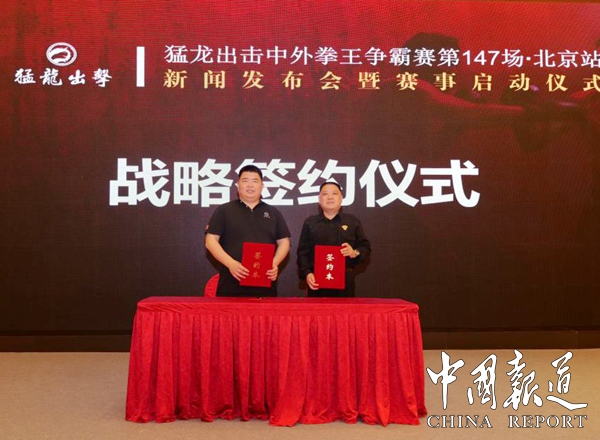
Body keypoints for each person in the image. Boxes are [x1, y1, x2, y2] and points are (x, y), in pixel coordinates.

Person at [205, 165, 291, 297]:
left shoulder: (274, 213)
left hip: (265, 283)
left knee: (264, 311)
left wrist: (274, 263)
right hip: (231, 282)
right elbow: (210, 241)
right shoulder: (224, 210)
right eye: (245, 180)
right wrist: (231, 263)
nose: (250, 185)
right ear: (237, 185)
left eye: (255, 181)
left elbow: (284, 242)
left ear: (262, 186)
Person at [297, 181, 371, 297]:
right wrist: (307, 273)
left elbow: (365, 247)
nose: (330, 197)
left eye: (334, 193)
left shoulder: (352, 221)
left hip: (345, 280)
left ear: (341, 198)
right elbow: (302, 252)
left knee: (345, 309)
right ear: (319, 199)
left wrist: (354, 252)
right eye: (325, 194)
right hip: (317, 280)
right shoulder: (310, 223)